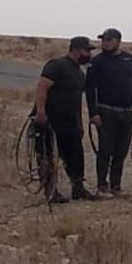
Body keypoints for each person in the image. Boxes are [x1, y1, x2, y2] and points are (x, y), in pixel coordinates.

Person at [32, 36, 98, 202]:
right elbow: (42, 87)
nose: (89, 55)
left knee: (75, 155)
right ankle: (50, 191)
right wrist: (40, 112)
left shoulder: (79, 73)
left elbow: (77, 100)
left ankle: (78, 188)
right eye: (86, 51)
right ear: (76, 50)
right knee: (47, 155)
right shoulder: (57, 65)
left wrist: (79, 124)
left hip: (69, 122)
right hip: (49, 120)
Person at [85, 28, 132, 196]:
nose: (105, 43)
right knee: (105, 149)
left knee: (121, 150)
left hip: (126, 112)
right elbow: (89, 90)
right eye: (103, 40)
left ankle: (115, 184)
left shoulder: (130, 59)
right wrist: (93, 113)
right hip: (106, 111)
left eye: (109, 40)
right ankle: (102, 185)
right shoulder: (97, 61)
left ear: (118, 41)